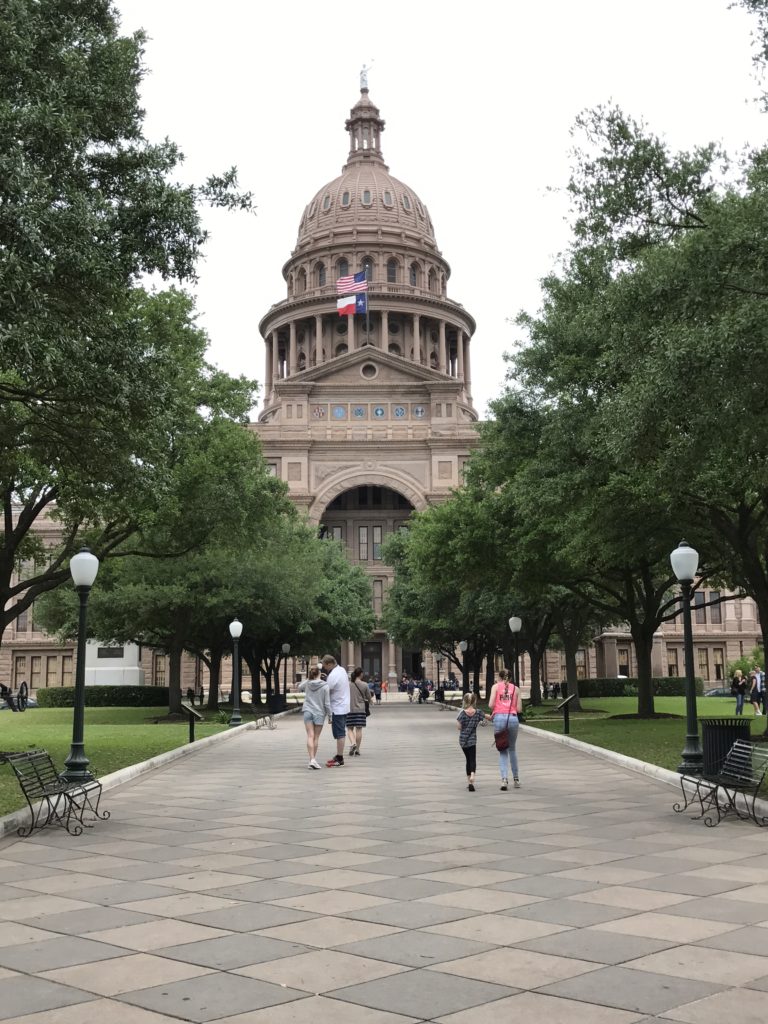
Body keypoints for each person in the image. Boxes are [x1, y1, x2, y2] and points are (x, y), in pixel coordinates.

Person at [487, 668, 521, 791]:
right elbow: (519, 709)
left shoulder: (495, 687)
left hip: (499, 718)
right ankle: (516, 779)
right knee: (512, 749)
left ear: (500, 677)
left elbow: (490, 705)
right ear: (511, 678)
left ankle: (504, 780)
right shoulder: (516, 689)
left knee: (502, 750)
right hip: (512, 718)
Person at [298, 666, 331, 769]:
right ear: (320, 674)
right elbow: (327, 703)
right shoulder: (325, 686)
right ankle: (313, 760)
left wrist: (309, 678)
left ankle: (312, 759)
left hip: (308, 711)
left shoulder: (307, 683)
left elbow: (299, 686)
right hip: (319, 713)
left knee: (310, 736)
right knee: (316, 737)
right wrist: (330, 715)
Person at [456, 692, 487, 791]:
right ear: (474, 701)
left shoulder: (462, 713)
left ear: (464, 701)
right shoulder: (478, 712)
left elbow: (459, 727)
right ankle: (473, 774)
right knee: (472, 759)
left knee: (468, 760)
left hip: (463, 741)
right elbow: (484, 722)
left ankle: (469, 782)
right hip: (472, 740)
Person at [322, 654, 350, 766]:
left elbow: (326, 690)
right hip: (343, 705)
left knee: (339, 733)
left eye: (325, 666)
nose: (324, 668)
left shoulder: (333, 675)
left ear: (329, 664)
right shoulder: (342, 670)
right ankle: (339, 756)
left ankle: (340, 757)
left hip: (338, 707)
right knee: (340, 732)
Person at [347, 667, 369, 756]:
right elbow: (368, 697)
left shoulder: (348, 685)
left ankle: (353, 743)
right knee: (359, 729)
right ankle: (358, 750)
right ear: (360, 674)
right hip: (360, 709)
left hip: (349, 709)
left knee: (349, 728)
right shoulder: (364, 684)